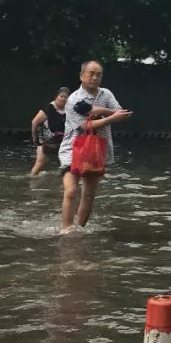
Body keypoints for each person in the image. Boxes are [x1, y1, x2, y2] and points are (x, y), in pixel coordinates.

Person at [58, 60, 132, 231]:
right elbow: (85, 126)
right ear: (81, 76)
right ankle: (66, 230)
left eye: (98, 74)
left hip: (97, 149)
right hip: (73, 148)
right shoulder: (74, 100)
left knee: (89, 194)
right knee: (71, 191)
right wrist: (110, 117)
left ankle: (79, 229)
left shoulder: (106, 94)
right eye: (91, 73)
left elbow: (124, 114)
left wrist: (102, 111)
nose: (95, 77)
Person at [30, 87, 71, 176]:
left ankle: (63, 181)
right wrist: (35, 140)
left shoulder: (69, 109)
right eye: (61, 96)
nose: (63, 99)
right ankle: (31, 179)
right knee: (40, 162)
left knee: (68, 162)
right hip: (44, 139)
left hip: (62, 139)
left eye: (66, 97)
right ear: (56, 97)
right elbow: (34, 122)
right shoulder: (49, 108)